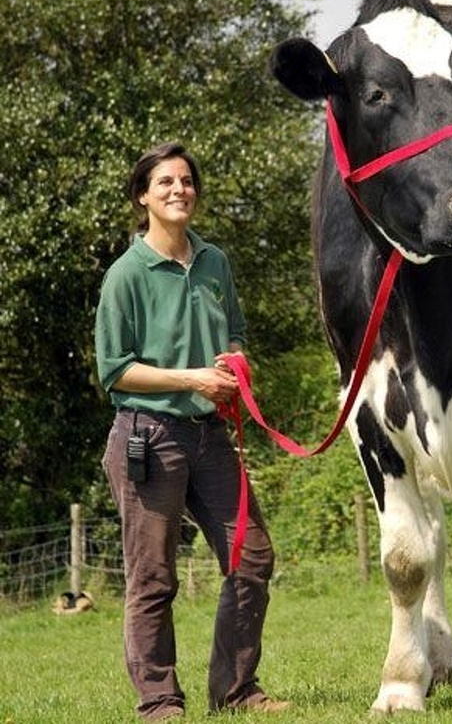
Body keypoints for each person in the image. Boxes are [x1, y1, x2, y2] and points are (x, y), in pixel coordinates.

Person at [95, 141, 289, 720]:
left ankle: (235, 690)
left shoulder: (214, 263)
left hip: (210, 436)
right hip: (146, 436)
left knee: (252, 556)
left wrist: (233, 362)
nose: (179, 190)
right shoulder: (125, 275)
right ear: (143, 197)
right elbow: (115, 371)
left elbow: (235, 331)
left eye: (186, 181)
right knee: (153, 579)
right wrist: (191, 379)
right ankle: (158, 700)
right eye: (165, 183)